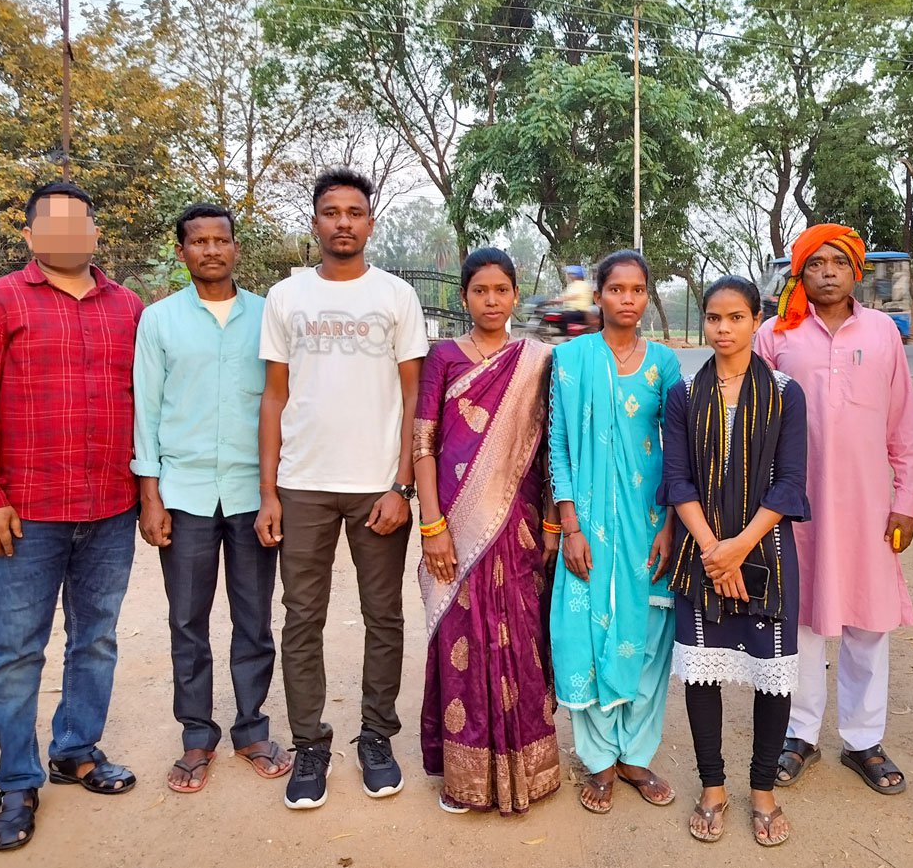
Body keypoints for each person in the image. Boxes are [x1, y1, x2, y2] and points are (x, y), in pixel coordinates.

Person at [0, 181, 144, 852]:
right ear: (30, 236)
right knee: (15, 652)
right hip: (26, 514)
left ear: (95, 233)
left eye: (79, 225)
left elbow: (144, 408)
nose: (66, 237)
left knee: (95, 639)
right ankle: (16, 779)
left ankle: (76, 749)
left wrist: (145, 492)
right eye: (51, 226)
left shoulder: (128, 308)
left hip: (110, 510)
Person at [255, 167, 428, 810]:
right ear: (317, 223)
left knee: (384, 617)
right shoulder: (286, 298)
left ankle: (377, 737)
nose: (344, 223)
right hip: (303, 485)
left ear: (370, 223)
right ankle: (310, 746)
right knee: (303, 617)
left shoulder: (395, 297)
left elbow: (415, 396)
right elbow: (274, 397)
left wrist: (402, 485)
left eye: (355, 212)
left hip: (377, 489)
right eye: (332, 212)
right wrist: (269, 492)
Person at [756, 225, 913, 796]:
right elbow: (752, 423)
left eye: (838, 262)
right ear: (798, 275)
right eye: (815, 264)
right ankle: (799, 734)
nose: (827, 271)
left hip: (869, 507)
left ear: (856, 271)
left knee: (868, 621)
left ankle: (862, 740)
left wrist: (906, 501)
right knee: (799, 620)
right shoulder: (775, 336)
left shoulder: (882, 333)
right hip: (794, 508)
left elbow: (903, 424)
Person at [132, 203, 291, 795]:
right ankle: (197, 735)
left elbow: (285, 401)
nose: (211, 250)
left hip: (254, 493)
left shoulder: (268, 317)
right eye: (197, 242)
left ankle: (251, 729)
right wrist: (150, 495)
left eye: (220, 240)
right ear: (182, 253)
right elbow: (146, 412)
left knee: (254, 619)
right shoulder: (159, 321)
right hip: (185, 494)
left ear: (235, 248)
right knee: (187, 621)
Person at [413, 248, 562, 815]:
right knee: (463, 639)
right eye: (480, 291)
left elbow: (550, 447)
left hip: (519, 524)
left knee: (522, 634)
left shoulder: (537, 360)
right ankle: (466, 772)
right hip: (455, 524)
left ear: (515, 294)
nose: (492, 300)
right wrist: (432, 526)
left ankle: (530, 767)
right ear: (464, 297)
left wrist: (551, 521)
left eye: (502, 290)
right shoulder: (444, 357)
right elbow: (423, 445)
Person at [664, 276, 810, 847]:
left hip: (766, 551)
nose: (723, 329)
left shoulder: (784, 392)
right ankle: (713, 787)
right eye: (713, 318)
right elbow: (677, 479)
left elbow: (790, 481)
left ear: (757, 320)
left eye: (736, 318)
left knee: (771, 674)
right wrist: (710, 549)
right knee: (705, 670)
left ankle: (763, 790)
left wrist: (739, 547)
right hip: (700, 550)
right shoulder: (684, 394)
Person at [547, 250, 681, 814]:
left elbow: (680, 454)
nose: (628, 299)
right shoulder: (572, 360)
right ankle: (598, 759)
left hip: (649, 521)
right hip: (590, 526)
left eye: (638, 289)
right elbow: (557, 444)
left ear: (648, 296)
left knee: (648, 635)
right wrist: (570, 525)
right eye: (616, 289)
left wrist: (672, 525)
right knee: (585, 631)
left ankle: (635, 754)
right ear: (598, 295)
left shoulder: (666, 365)